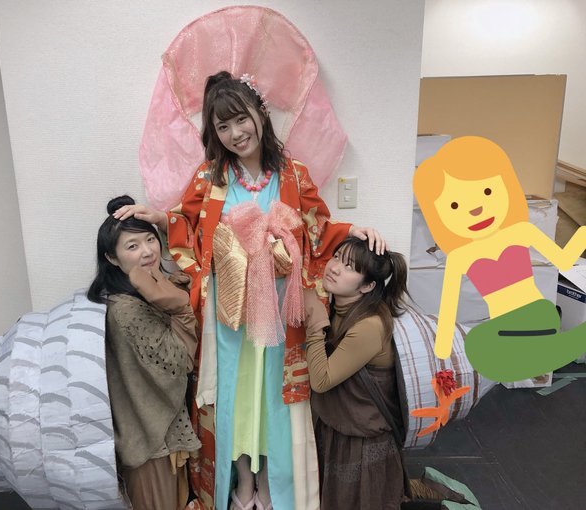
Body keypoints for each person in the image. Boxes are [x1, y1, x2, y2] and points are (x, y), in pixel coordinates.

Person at [114, 71, 385, 510]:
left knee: (273, 395)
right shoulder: (211, 176)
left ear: (260, 114)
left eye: (241, 119)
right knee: (236, 393)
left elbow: (318, 227)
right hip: (230, 310)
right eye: (223, 126)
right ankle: (242, 481)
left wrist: (355, 230)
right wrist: (160, 219)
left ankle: (272, 482)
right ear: (214, 132)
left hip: (280, 305)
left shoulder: (293, 174)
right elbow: (187, 222)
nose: (236, 133)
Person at [413, 136, 586, 382]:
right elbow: (448, 309)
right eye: (454, 205)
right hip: (504, 325)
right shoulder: (461, 255)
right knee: (479, 346)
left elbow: (564, 261)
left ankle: (553, 349)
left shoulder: (520, 231)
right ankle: (556, 348)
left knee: (486, 349)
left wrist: (582, 235)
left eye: (487, 191)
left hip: (537, 313)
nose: (475, 209)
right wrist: (441, 354)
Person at [87, 195, 201, 510]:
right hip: (150, 444)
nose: (148, 251)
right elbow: (178, 363)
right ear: (112, 258)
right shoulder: (126, 309)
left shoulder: (148, 289)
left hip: (157, 437)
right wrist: (180, 308)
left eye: (150, 239)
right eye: (132, 246)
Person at [304, 237, 409, 509]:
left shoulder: (369, 325)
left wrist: (315, 323)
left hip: (362, 445)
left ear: (367, 286)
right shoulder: (336, 305)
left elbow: (321, 380)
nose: (335, 268)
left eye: (350, 266)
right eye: (337, 257)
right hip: (337, 429)